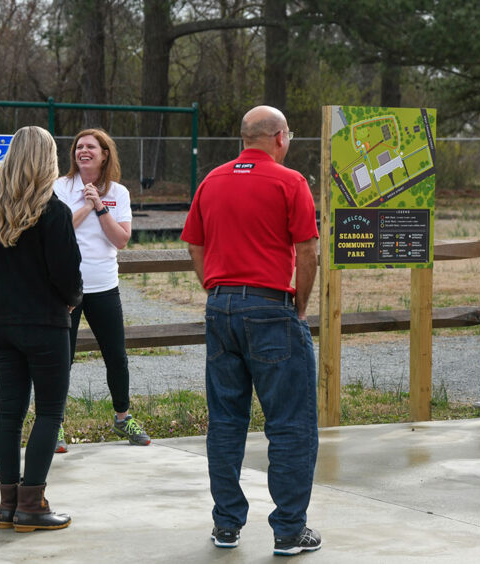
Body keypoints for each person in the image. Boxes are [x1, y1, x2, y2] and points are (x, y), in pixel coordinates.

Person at [180, 105, 321, 556]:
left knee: (225, 421)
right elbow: (309, 251)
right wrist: (298, 305)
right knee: (290, 423)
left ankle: (226, 526)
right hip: (271, 308)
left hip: (221, 308)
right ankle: (288, 530)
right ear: (279, 137)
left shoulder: (212, 181)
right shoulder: (290, 181)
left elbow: (195, 244)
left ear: (245, 138)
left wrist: (213, 288)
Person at [0, 126, 82, 532]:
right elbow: (67, 276)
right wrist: (73, 300)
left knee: (10, 414)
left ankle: (7, 504)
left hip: (2, 324)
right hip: (45, 324)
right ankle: (32, 504)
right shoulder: (53, 213)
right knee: (49, 412)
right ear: (48, 161)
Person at [52, 128, 150, 451]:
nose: (83, 151)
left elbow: (121, 239)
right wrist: (84, 204)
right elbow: (57, 229)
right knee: (60, 358)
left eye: (90, 147)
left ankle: (123, 417)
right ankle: (55, 424)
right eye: (79, 147)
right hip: (66, 290)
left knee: (116, 356)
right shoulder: (60, 187)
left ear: (104, 154)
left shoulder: (118, 192)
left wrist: (101, 207)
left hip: (104, 286)